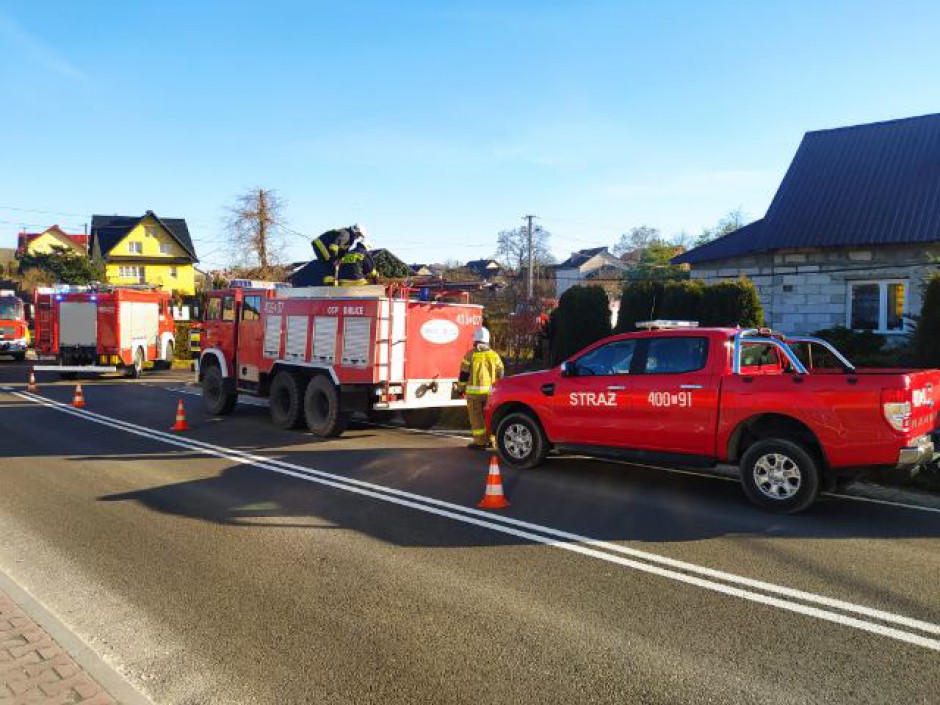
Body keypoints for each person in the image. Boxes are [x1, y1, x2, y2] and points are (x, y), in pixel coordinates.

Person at [459, 327, 504, 449]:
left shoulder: (470, 355)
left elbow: (463, 374)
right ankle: (491, 440)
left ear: (476, 340)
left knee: (476, 418)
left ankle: (480, 442)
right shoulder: (494, 356)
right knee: (489, 417)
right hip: (491, 394)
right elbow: (501, 373)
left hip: (474, 395)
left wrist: (460, 389)